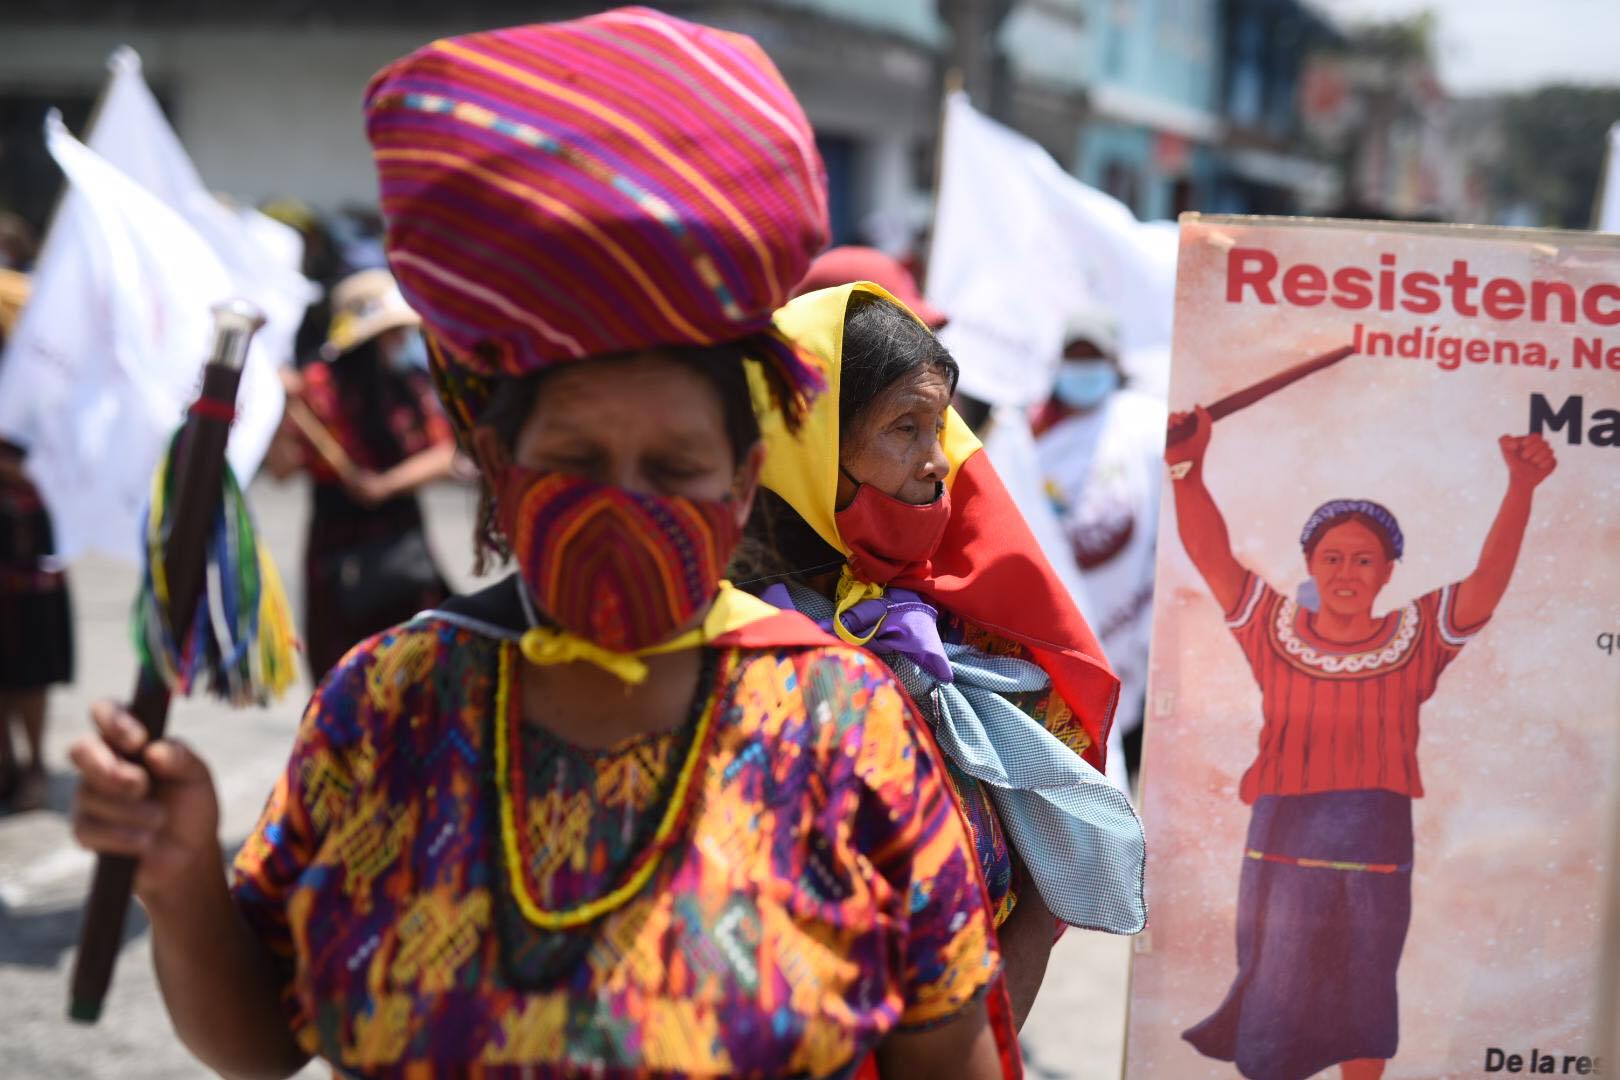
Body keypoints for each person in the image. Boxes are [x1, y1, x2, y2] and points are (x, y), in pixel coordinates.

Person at [67, 11, 1018, 1077]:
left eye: (673, 471)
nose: (623, 504)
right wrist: (180, 866)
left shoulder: (846, 723)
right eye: (575, 462)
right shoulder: (390, 701)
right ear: (500, 467)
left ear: (744, 480)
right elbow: (260, 1043)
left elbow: (951, 1054)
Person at [738, 280, 1147, 1027]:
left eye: (941, 427)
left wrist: (979, 1046)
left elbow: (1041, 887)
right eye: (905, 427)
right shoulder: (723, 647)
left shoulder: (963, 631)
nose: (938, 462)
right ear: (811, 439)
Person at [1166, 405, 1556, 1080]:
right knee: (1277, 983)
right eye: (1333, 558)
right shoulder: (1273, 629)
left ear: (1388, 571)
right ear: (1312, 563)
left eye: (1364, 560)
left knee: (1364, 988)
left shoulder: (1417, 638)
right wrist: (1187, 470)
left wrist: (1520, 488)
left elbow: (1487, 584)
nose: (1347, 572)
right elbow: (1209, 552)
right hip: (1285, 827)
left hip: (1376, 833)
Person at [262, 267, 456, 680]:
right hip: (337, 545)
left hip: (402, 541)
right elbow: (280, 471)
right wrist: (281, 411)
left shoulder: (411, 386)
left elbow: (445, 454)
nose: (402, 342)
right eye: (392, 333)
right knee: (342, 668)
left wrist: (385, 485)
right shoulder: (318, 390)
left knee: (415, 665)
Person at [1034, 307, 1165, 788]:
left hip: (1136, 630)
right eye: (1075, 356)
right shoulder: (1028, 435)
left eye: (1094, 357)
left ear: (1114, 361)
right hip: (1066, 636)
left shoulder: (1146, 427)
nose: (1084, 368)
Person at [0, 269, 72, 811]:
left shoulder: (40, 376)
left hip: (24, 533)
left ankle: (34, 766)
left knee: (27, 658)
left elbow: (58, 458)